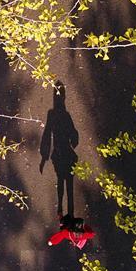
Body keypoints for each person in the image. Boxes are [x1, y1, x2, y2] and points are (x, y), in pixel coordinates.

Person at [39, 81, 79, 218]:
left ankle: (60, 209)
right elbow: (74, 134)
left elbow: (47, 134)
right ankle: (70, 213)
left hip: (58, 153)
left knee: (60, 179)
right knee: (69, 184)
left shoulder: (51, 114)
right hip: (67, 152)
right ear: (64, 98)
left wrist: (45, 156)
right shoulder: (66, 115)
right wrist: (73, 143)